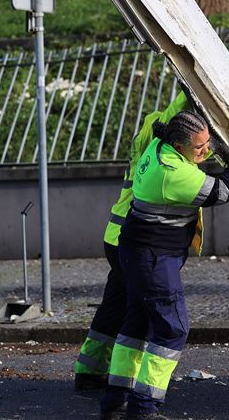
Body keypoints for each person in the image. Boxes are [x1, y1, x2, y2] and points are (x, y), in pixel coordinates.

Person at [100, 111, 229, 419]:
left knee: (137, 324)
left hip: (136, 252)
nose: (206, 150)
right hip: (153, 259)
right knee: (172, 328)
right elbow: (222, 191)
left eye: (207, 143)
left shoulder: (158, 147)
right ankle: (144, 409)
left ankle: (114, 402)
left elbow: (207, 165)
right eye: (199, 147)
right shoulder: (171, 172)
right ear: (178, 144)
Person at [75, 91, 193, 391]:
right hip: (132, 242)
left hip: (116, 238)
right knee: (141, 314)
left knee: (113, 307)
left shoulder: (147, 146)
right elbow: (172, 116)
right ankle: (129, 382)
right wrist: (189, 88)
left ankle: (89, 371)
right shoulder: (154, 147)